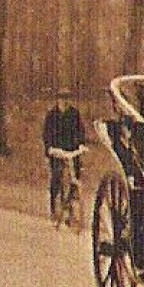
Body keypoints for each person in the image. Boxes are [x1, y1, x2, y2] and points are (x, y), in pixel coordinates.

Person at [42, 88, 86, 218]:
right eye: (62, 98)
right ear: (58, 100)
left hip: (72, 149)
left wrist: (81, 144)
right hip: (56, 151)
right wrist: (49, 148)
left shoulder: (74, 113)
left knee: (75, 175)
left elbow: (80, 130)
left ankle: (71, 201)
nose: (65, 101)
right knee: (56, 176)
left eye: (67, 98)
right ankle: (54, 207)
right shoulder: (52, 115)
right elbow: (46, 134)